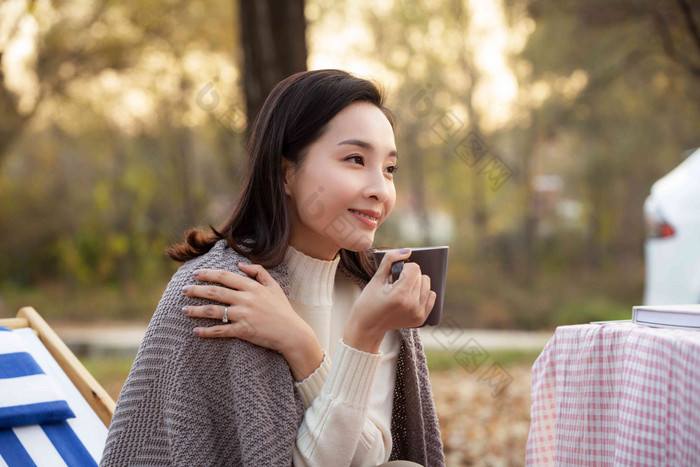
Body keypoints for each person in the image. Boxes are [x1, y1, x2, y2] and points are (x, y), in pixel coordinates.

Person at [100, 69, 445, 466]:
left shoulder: (372, 293)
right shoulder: (219, 288)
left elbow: (369, 458)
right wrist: (356, 339)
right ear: (285, 172)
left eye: (389, 169)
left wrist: (309, 344)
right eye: (355, 159)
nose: (380, 190)